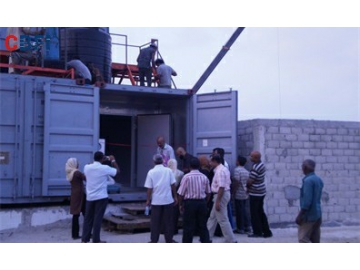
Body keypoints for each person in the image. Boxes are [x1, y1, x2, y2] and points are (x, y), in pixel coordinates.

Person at [81, 152, 120, 243]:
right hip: (101, 197)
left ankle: (85, 239)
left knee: (88, 218)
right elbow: (117, 171)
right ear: (102, 159)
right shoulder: (104, 168)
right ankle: (96, 239)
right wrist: (113, 160)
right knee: (97, 219)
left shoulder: (87, 167)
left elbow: (90, 166)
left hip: (90, 197)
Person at [144, 154, 178, 243]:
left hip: (156, 201)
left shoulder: (151, 172)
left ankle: (154, 240)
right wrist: (175, 196)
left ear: (154, 162)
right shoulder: (168, 171)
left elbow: (149, 188)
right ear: (163, 161)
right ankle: (169, 239)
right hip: (168, 200)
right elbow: (173, 185)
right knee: (168, 221)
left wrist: (148, 200)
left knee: (155, 222)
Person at [177, 158, 211, 243]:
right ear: (199, 166)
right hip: (201, 202)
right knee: (203, 225)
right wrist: (205, 202)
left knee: (188, 225)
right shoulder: (204, 177)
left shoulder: (186, 177)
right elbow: (208, 192)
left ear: (190, 166)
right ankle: (205, 241)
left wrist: (180, 204)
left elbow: (181, 193)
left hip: (190, 203)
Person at [206, 155, 237, 243]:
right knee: (213, 217)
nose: (209, 163)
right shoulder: (221, 169)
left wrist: (218, 201)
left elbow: (221, 187)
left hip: (220, 195)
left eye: (210, 161)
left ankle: (231, 240)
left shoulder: (220, 171)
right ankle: (207, 237)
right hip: (221, 195)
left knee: (222, 219)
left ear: (215, 161)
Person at [296, 159, 324, 243]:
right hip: (317, 214)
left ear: (305, 168)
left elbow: (307, 202)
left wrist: (300, 215)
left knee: (303, 239)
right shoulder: (318, 179)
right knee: (315, 240)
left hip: (309, 216)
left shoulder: (308, 181)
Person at [246, 150, 273, 238]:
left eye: (252, 156)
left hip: (255, 193)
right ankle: (266, 231)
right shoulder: (261, 165)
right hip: (261, 192)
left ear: (256, 158)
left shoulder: (256, 167)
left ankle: (257, 232)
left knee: (254, 213)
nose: (250, 158)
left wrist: (247, 187)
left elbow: (250, 181)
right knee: (260, 212)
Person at [65, 157, 86, 240]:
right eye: (77, 163)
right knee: (86, 213)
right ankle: (86, 233)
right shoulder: (76, 172)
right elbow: (85, 178)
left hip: (74, 194)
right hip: (80, 195)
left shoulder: (70, 172)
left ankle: (75, 234)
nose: (78, 164)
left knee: (75, 215)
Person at [232, 155, 252, 234]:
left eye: (237, 160)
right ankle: (247, 227)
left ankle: (240, 228)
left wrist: (233, 191)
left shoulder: (237, 170)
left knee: (239, 211)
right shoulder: (246, 171)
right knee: (245, 210)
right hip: (245, 193)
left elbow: (236, 181)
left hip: (239, 194)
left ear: (238, 162)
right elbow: (249, 182)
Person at [167, 158, 184, 234]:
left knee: (167, 212)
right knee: (174, 212)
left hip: (168, 193)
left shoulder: (166, 172)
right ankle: (174, 228)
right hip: (176, 193)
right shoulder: (181, 173)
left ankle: (167, 229)